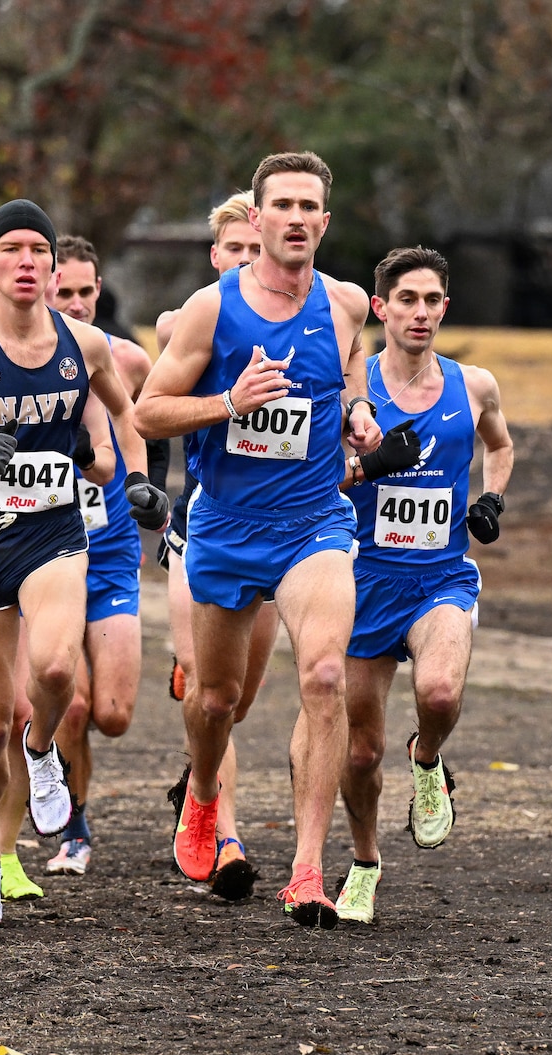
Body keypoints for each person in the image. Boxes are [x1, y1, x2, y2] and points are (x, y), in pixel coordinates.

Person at [137, 152, 414, 928]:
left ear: (326, 220)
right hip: (225, 527)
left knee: (324, 675)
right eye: (282, 205)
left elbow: (350, 371)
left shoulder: (346, 303)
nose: (296, 218)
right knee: (216, 697)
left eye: (310, 206)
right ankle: (200, 792)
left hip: (314, 524)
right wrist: (229, 401)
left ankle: (306, 872)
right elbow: (148, 412)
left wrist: (359, 412)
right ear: (255, 220)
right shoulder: (210, 310)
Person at [0, 199, 168, 925]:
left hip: (54, 537)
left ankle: (43, 749)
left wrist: (136, 475)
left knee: (53, 673)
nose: (25, 261)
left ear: (53, 266)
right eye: (10, 249)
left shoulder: (86, 345)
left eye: (36, 250)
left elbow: (128, 417)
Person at [333, 247, 514, 923]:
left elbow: (500, 445)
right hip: (360, 581)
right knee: (357, 749)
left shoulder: (474, 386)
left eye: (432, 300)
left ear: (445, 307)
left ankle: (427, 756)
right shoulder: (352, 394)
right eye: (406, 299)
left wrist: (492, 499)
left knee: (438, 692)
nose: (420, 312)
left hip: (440, 576)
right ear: (380, 309)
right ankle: (363, 861)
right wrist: (373, 464)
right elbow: (313, 479)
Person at [152, 191, 276, 901]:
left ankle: (193, 780)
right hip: (201, 522)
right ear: (216, 256)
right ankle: (223, 836)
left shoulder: (300, 321)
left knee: (234, 700)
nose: (246, 262)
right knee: (207, 683)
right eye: (234, 250)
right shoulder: (191, 319)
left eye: (255, 250)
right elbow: (154, 399)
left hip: (278, 529)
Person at [43, 235, 151, 878]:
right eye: (66, 292)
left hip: (110, 547)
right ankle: (73, 829)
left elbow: (146, 421)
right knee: (73, 704)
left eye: (88, 292)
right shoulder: (18, 359)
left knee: (112, 714)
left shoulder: (128, 360)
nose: (78, 305)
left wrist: (144, 486)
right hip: (47, 546)